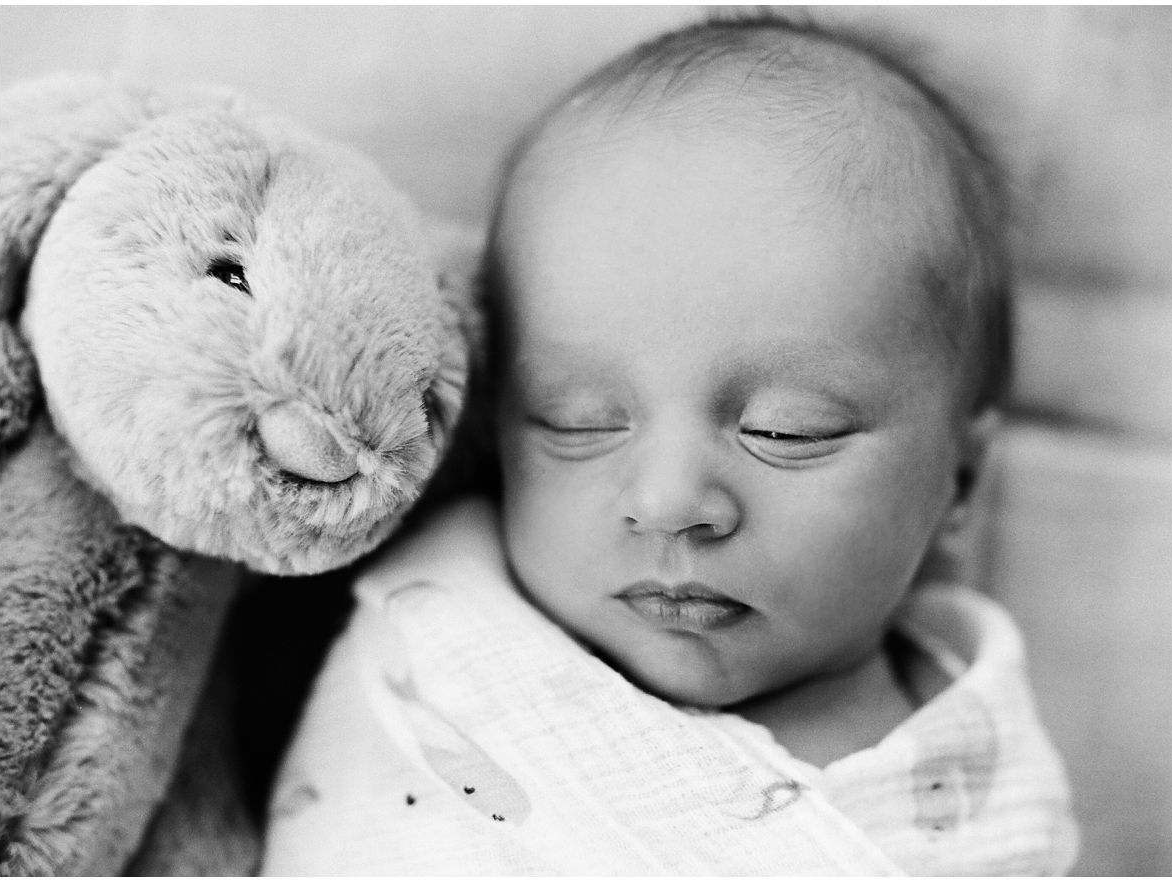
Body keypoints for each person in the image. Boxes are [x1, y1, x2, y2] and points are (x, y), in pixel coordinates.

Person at [262, 15, 1077, 875]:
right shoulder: (438, 651)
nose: (668, 502)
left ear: (960, 481)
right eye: (578, 421)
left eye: (783, 431)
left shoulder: (991, 791)